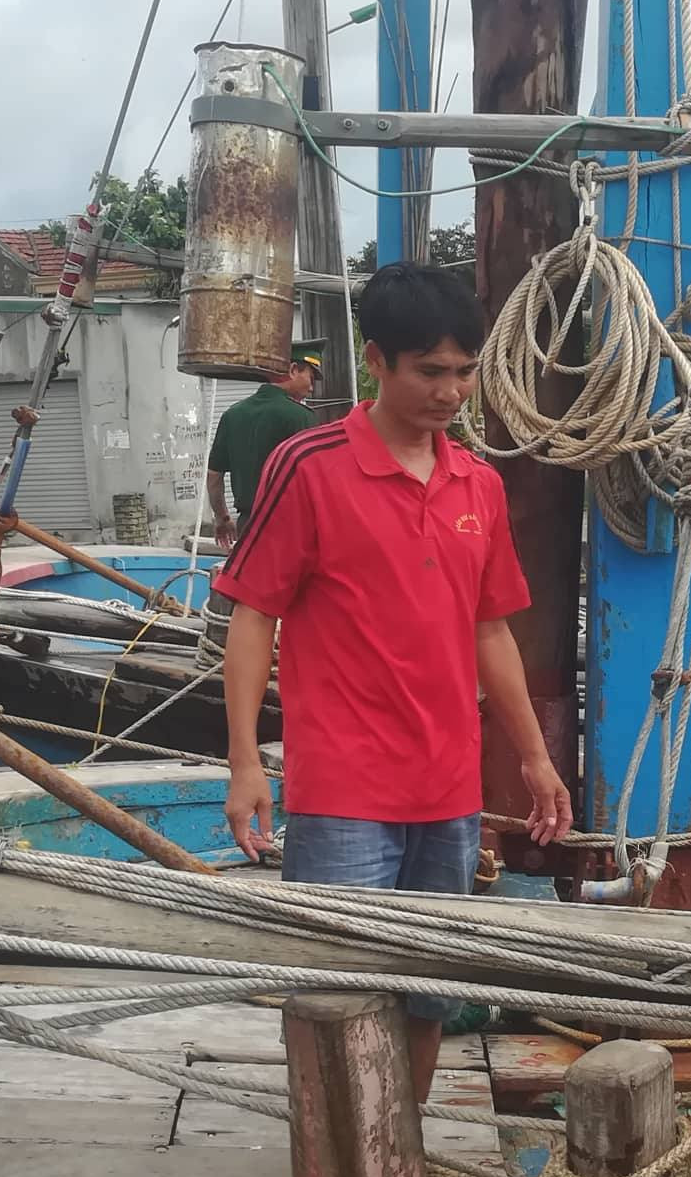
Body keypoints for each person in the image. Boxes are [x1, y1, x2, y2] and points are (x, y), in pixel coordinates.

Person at [215, 263, 573, 1099]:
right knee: (336, 996)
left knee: (427, 995)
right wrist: (242, 763)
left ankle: (398, 1153)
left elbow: (492, 630)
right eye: (430, 371)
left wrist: (534, 757)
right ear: (376, 361)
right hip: (342, 787)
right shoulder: (307, 466)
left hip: (448, 788)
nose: (451, 392)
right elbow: (252, 616)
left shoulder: (477, 484)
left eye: (464, 371)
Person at [206, 340, 324, 548]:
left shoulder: (232, 415)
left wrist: (222, 518)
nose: (312, 387)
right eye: (311, 377)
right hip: (290, 531)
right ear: (293, 369)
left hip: (247, 526)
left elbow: (214, 477)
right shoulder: (300, 417)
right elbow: (318, 481)